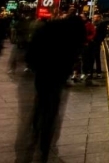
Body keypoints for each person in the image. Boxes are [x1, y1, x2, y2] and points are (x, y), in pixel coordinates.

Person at [24, 12, 86, 161]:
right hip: (58, 73)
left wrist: (33, 65)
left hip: (42, 70)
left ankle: (36, 125)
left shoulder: (49, 27)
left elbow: (32, 47)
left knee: (41, 98)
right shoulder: (73, 34)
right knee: (52, 105)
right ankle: (45, 141)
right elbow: (76, 52)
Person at [88, 14, 109, 79]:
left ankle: (98, 72)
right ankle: (90, 72)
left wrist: (99, 40)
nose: (94, 18)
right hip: (91, 43)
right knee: (90, 58)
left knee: (97, 58)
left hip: (96, 43)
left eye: (96, 17)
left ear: (99, 18)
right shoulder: (92, 24)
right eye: (94, 17)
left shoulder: (102, 24)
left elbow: (104, 33)